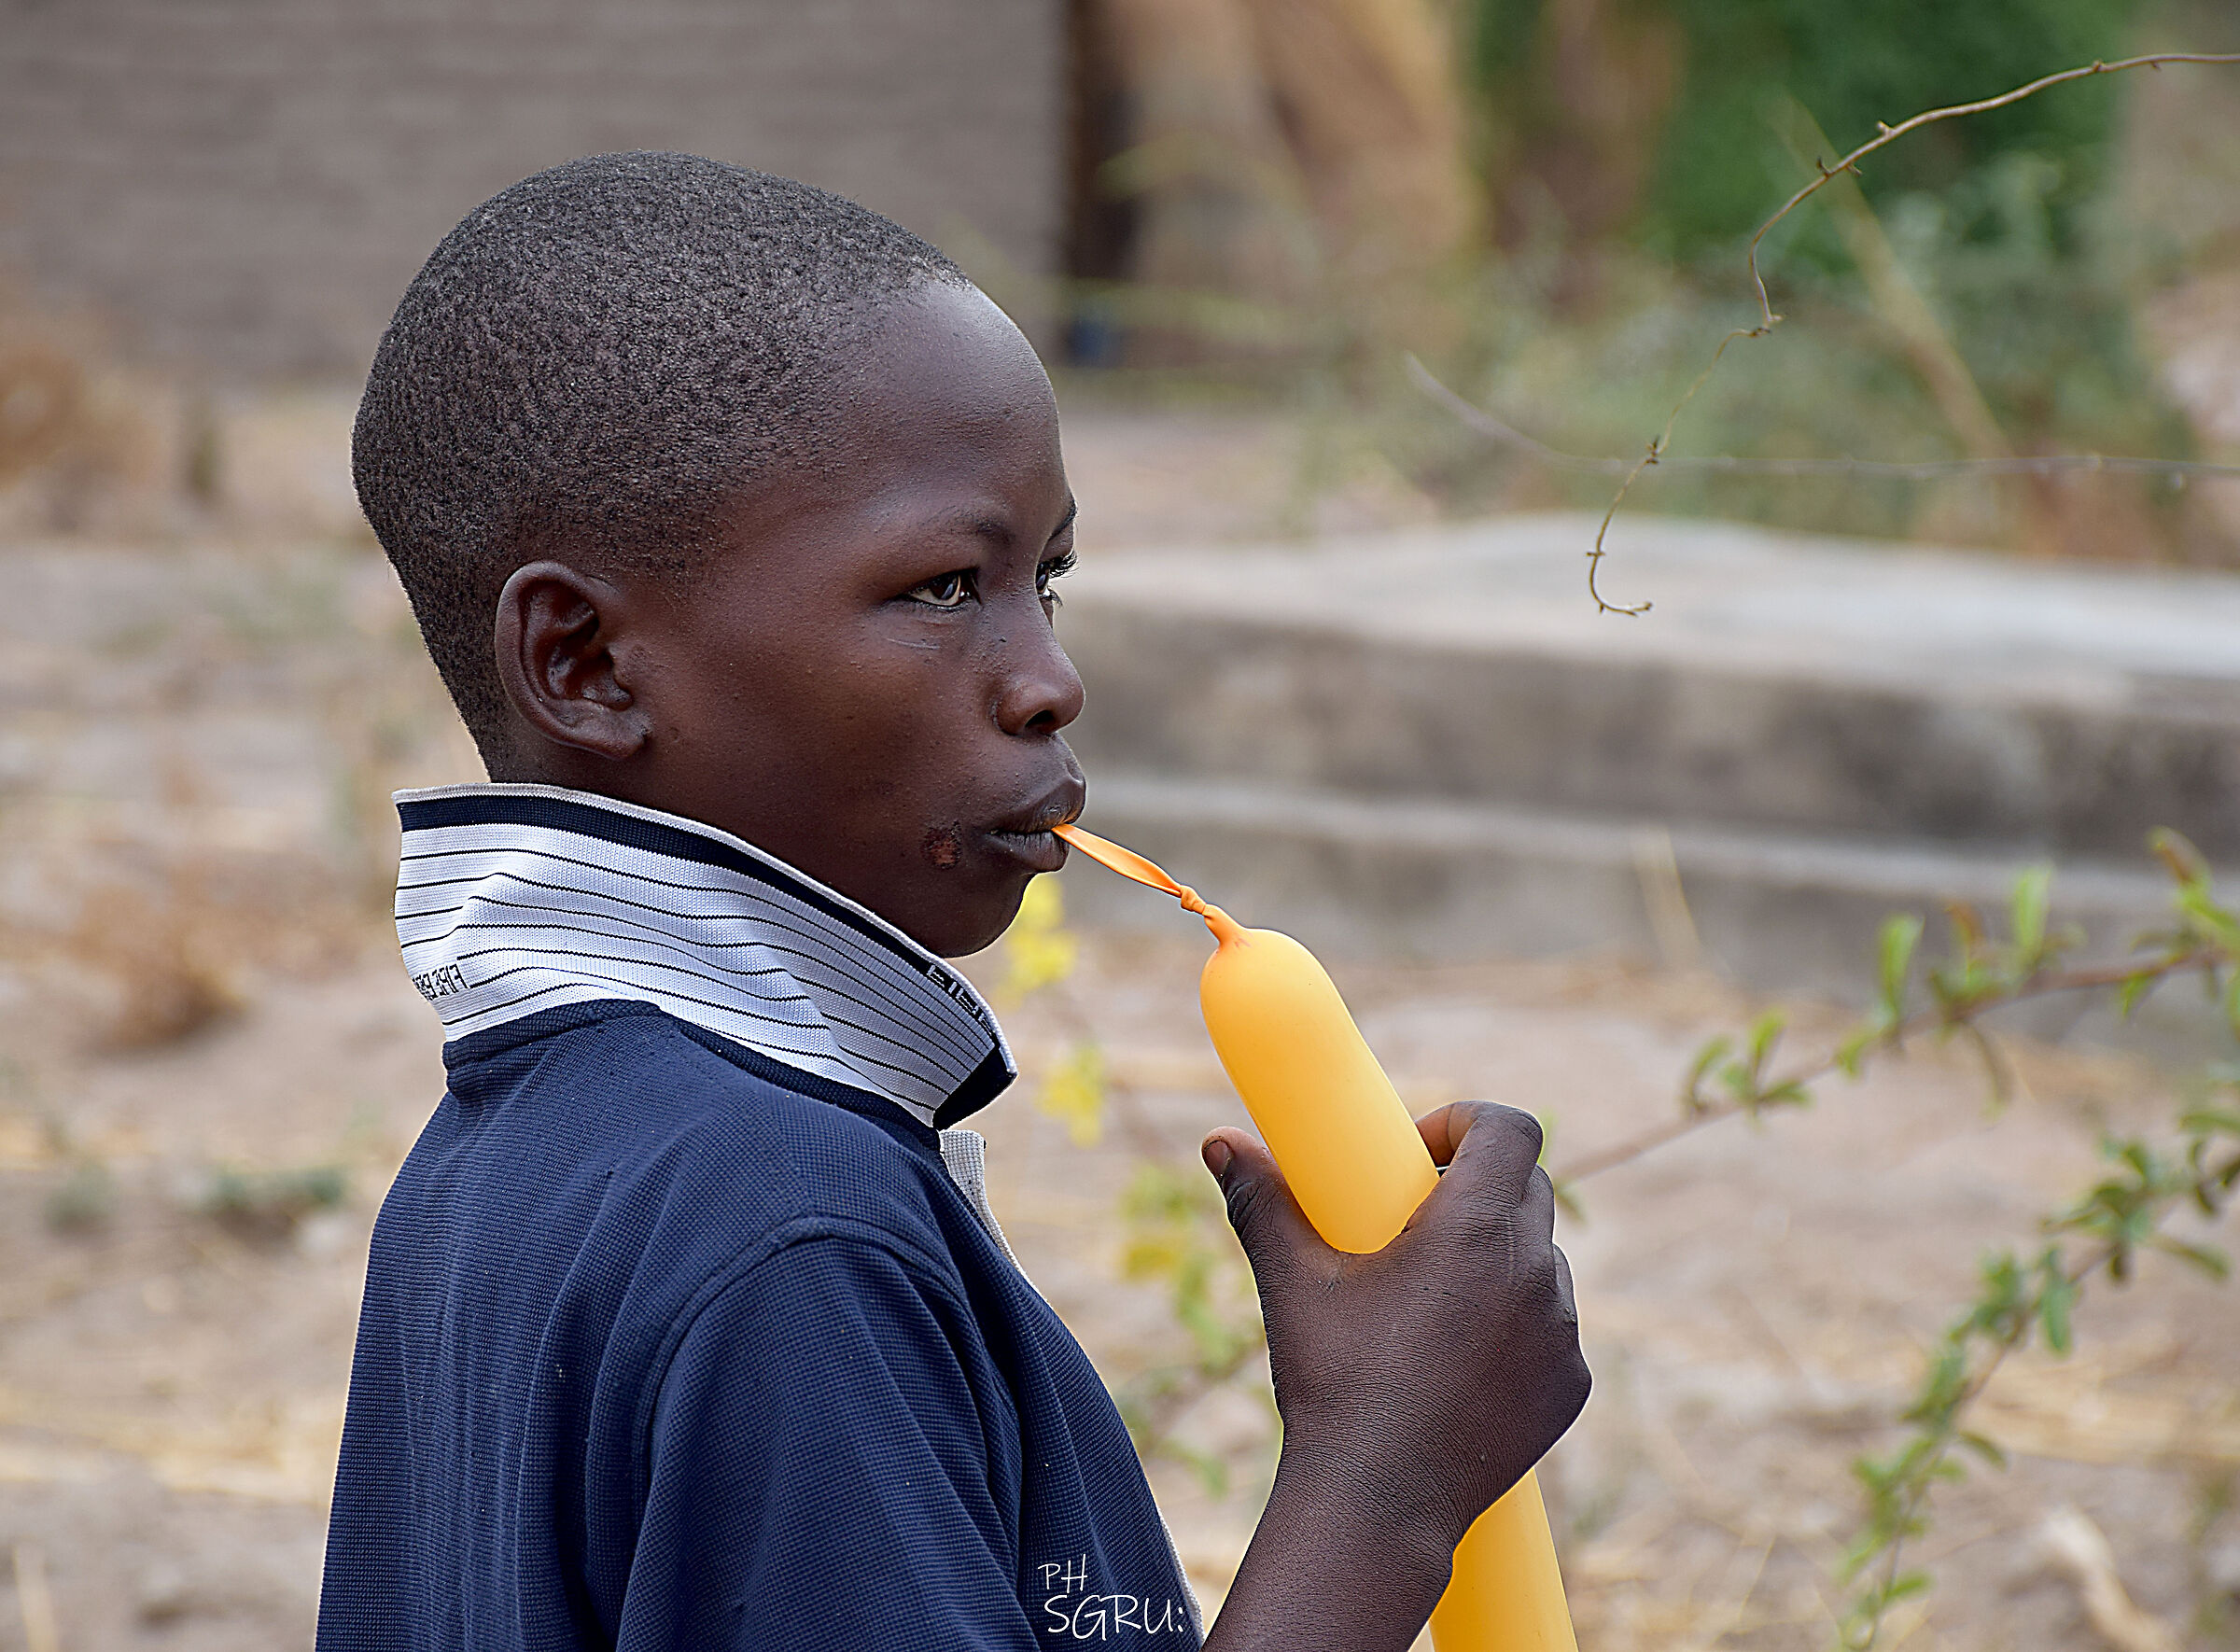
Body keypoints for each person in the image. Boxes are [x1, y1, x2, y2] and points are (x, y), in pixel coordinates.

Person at [318, 150, 1589, 1652]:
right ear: (587, 664)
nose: (1051, 679)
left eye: (1046, 580)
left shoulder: (512, 1167)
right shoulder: (786, 1232)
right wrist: (1386, 1481)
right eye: (942, 587)